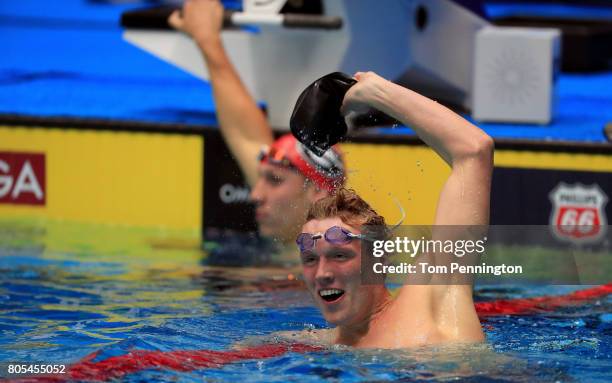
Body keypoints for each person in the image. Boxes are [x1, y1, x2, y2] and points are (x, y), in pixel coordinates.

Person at [295, 71, 494, 348]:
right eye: (310, 260)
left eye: (339, 255)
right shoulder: (310, 345)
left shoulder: (429, 303)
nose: (322, 273)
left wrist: (373, 93)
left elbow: (474, 151)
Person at [168, 0, 345, 254]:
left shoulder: (350, 267)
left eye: (274, 181)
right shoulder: (300, 255)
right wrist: (207, 40)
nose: (255, 195)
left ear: (318, 191)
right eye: (261, 179)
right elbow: (245, 133)